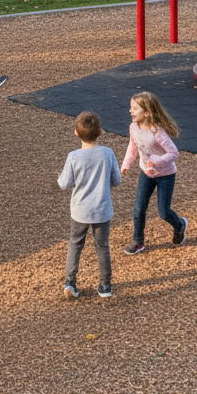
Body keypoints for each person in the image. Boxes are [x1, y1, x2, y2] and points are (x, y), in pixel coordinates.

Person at [57, 111, 121, 300]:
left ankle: (70, 282)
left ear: (76, 133)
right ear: (100, 131)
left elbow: (63, 183)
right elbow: (116, 180)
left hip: (80, 210)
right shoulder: (107, 153)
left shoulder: (74, 157)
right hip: (102, 209)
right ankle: (105, 286)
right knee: (102, 246)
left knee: (75, 244)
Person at [121, 92, 188, 255]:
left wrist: (156, 161)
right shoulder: (133, 128)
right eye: (131, 107)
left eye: (135, 108)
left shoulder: (156, 131)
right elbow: (133, 147)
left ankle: (180, 225)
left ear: (147, 113)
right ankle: (138, 241)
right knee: (138, 209)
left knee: (164, 212)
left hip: (166, 175)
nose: (130, 111)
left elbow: (174, 153)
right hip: (147, 173)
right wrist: (126, 164)